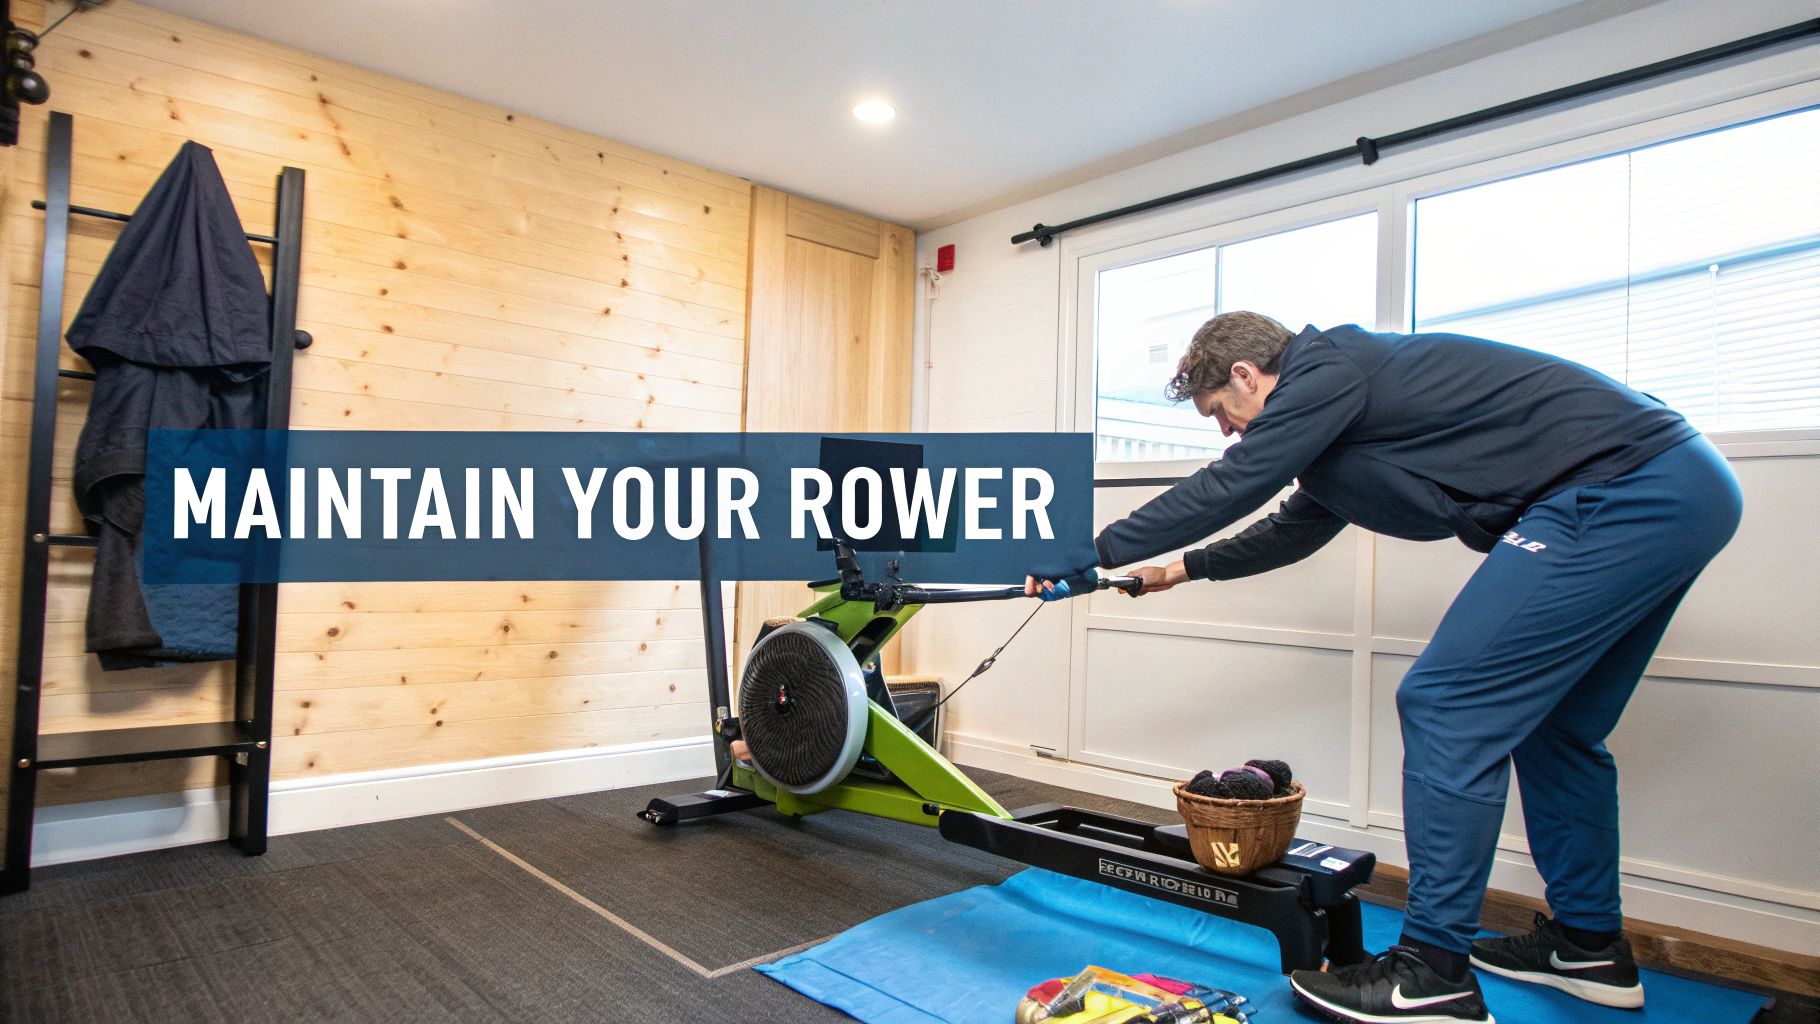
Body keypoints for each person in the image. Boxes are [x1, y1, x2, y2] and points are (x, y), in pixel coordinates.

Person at [1030, 312, 1741, 1023]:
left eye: (1222, 411)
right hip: (1679, 489)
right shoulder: (1340, 410)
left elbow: (1235, 483)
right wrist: (1179, 570)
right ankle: (1587, 946)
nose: (1227, 429)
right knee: (1558, 729)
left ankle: (1431, 976)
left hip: (1624, 488)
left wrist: (1092, 548)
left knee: (1447, 703)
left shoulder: (1327, 368)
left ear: (1245, 375)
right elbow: (1294, 527)